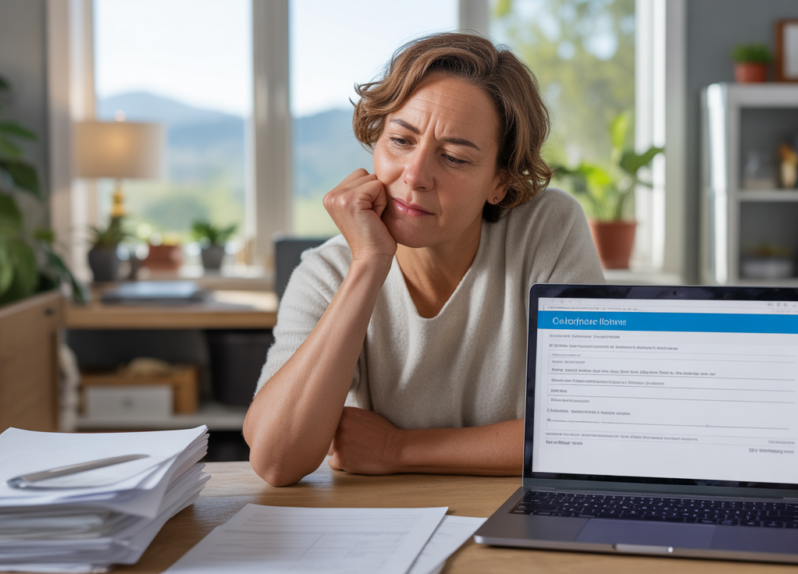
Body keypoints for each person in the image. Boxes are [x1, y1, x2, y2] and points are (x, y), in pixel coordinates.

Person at [244, 33, 604, 487]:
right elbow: (277, 460)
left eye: (454, 157)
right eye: (400, 140)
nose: (414, 177)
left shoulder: (547, 229)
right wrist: (369, 264)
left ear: (500, 182)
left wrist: (398, 449)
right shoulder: (327, 271)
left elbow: (591, 431)